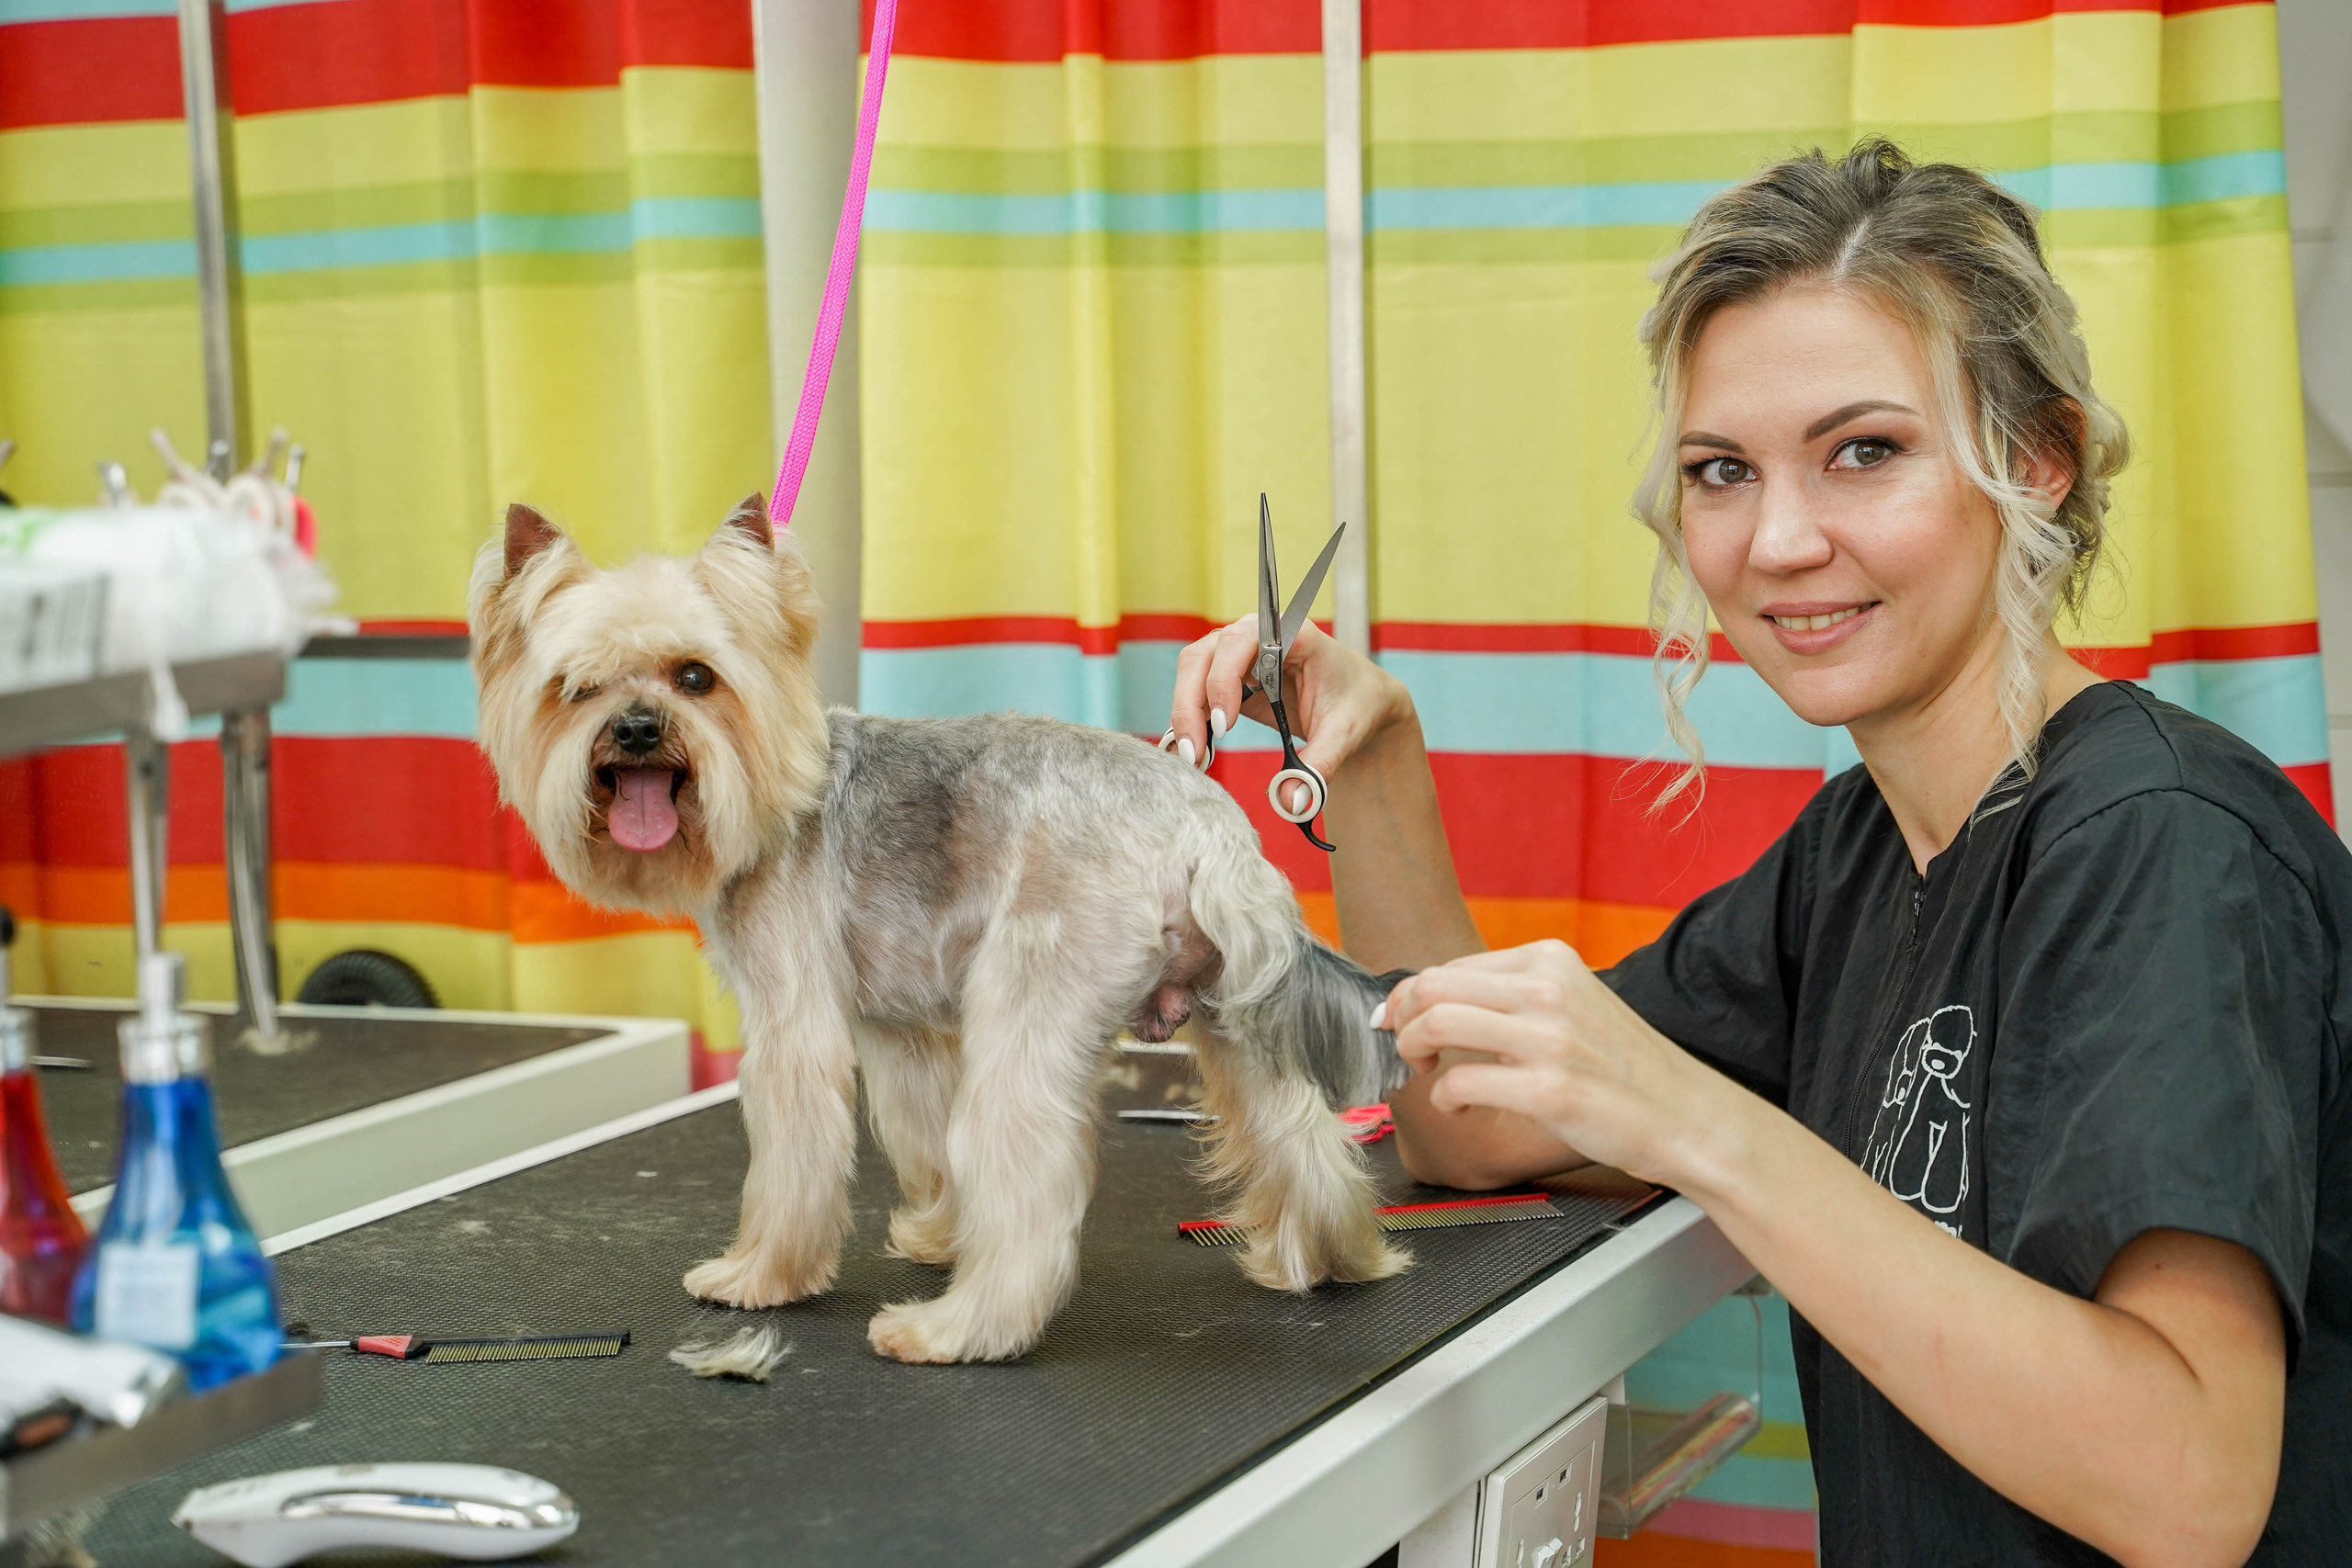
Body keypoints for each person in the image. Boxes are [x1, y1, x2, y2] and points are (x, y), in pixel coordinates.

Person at [1163, 141, 2350, 1567]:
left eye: (1867, 451)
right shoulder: (1856, 856)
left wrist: (1701, 1123)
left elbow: (2190, 1491)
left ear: (2034, 460)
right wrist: (1379, 769)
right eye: (1722, 472)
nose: (1779, 539)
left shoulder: (2157, 851)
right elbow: (1464, 1125)